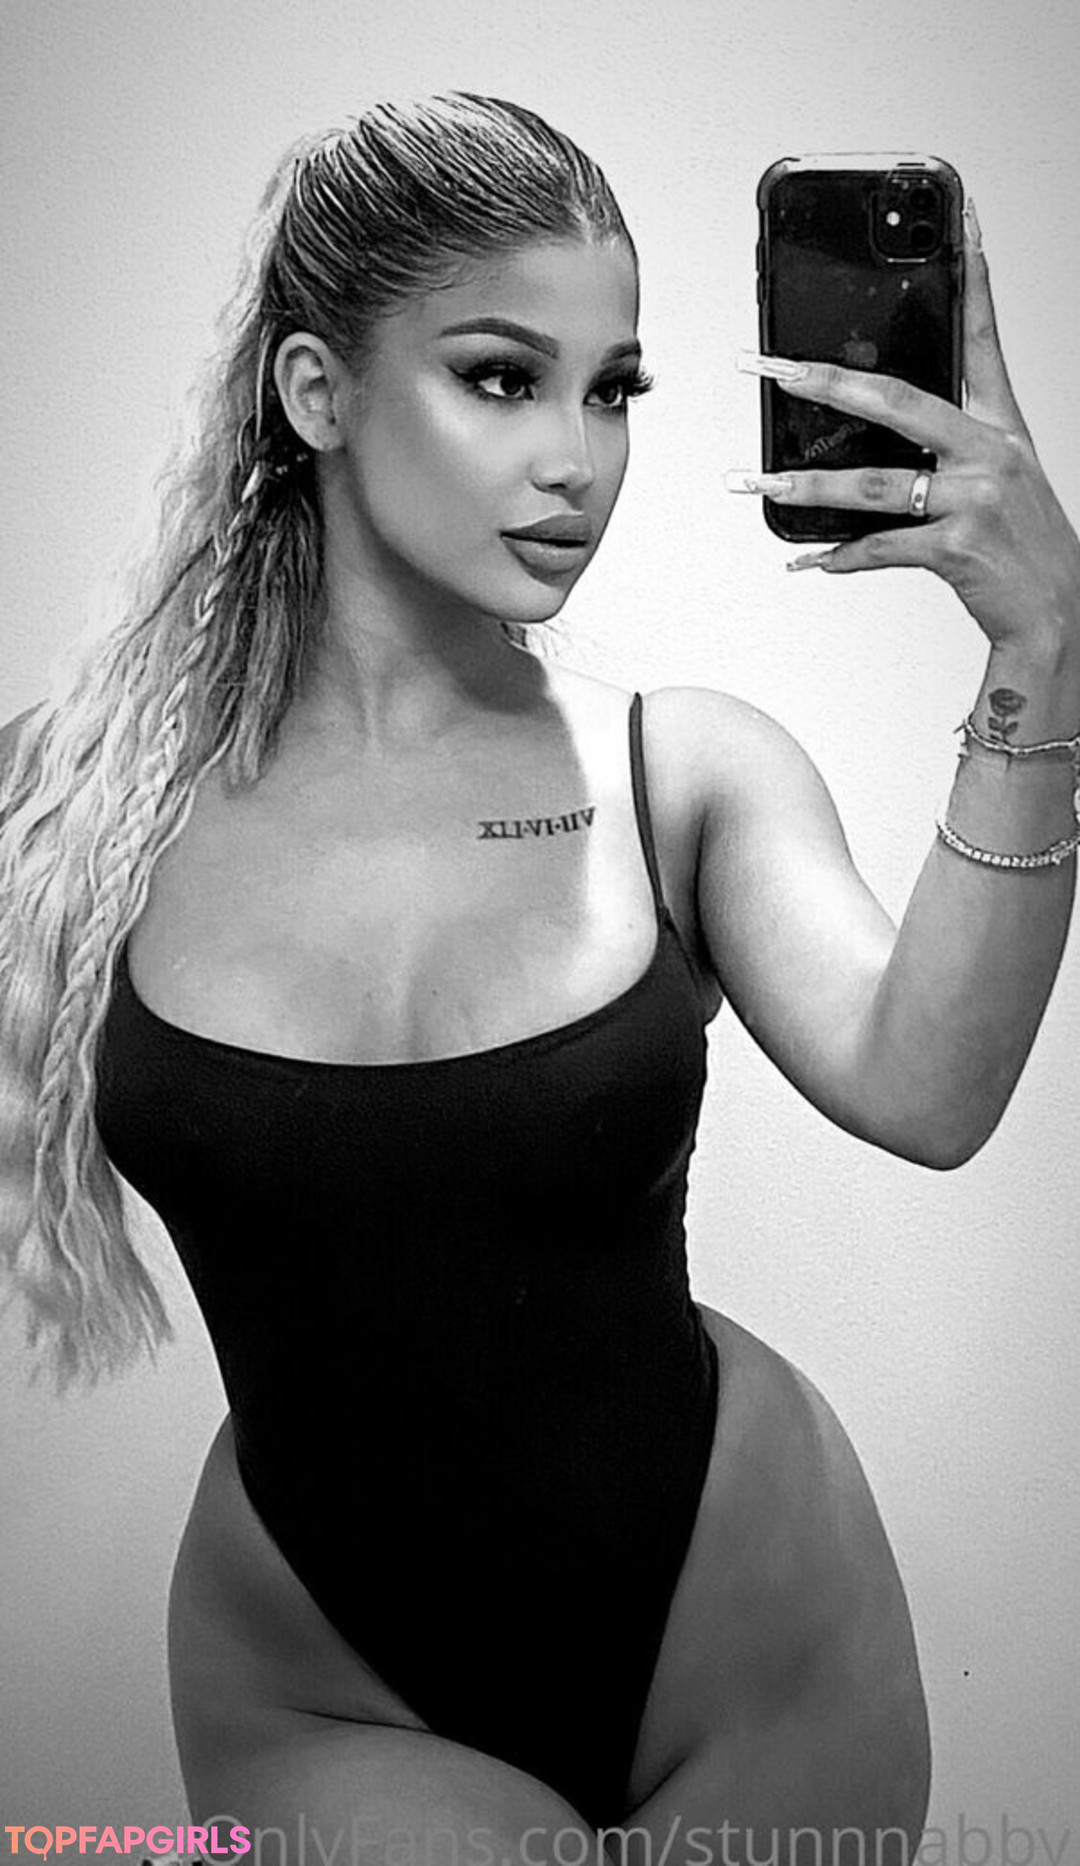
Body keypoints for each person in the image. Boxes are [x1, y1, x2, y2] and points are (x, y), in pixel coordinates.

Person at [2, 89, 1078, 1866]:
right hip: (325, 1681)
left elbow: (934, 1086)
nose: (579, 456)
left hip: (749, 1631)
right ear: (317, 391)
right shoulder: (72, 812)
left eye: (614, 389)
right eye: (503, 377)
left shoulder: (683, 772)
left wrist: (1043, 643)